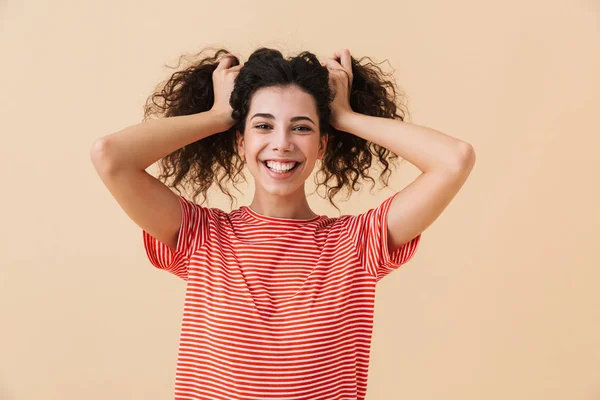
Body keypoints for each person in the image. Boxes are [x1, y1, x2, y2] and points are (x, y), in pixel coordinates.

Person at [90, 47, 475, 400]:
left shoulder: (359, 242)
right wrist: (220, 115)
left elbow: (454, 159)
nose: (282, 143)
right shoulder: (200, 235)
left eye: (302, 127)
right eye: (262, 125)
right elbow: (110, 156)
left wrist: (344, 116)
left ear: (322, 144)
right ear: (239, 141)